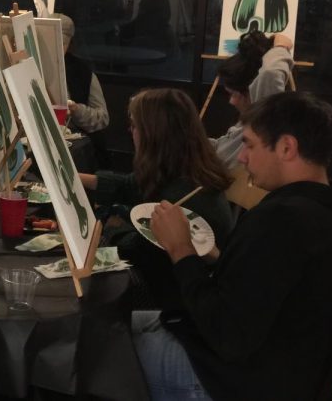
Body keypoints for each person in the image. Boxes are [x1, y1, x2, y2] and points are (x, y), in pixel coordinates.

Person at [138, 92, 332, 401]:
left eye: (249, 144)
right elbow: (265, 293)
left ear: (287, 147)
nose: (243, 157)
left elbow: (225, 335)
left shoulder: (285, 219)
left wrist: (181, 249)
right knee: (131, 321)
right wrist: (217, 256)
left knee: (108, 348)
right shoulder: (326, 210)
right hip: (294, 377)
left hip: (239, 384)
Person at [79, 89, 233, 307]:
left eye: (134, 126)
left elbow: (136, 248)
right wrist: (72, 177)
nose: (130, 132)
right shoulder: (182, 167)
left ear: (154, 134)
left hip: (173, 306)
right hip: (170, 288)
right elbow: (130, 184)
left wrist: (111, 227)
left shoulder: (185, 193)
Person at [211, 31, 293, 170]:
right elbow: (223, 148)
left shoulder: (263, 120)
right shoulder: (247, 121)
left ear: (252, 90)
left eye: (235, 94)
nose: (232, 101)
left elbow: (270, 73)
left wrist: (280, 47)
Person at [54, 13, 109, 134]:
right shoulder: (28, 67)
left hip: (72, 140)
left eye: (61, 43)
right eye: (50, 41)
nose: (55, 48)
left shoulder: (82, 71)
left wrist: (77, 110)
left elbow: (103, 118)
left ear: (69, 44)